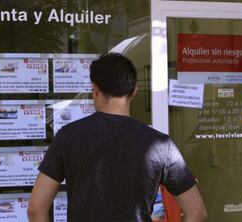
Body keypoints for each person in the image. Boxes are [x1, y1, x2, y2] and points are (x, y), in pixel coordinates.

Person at [28, 53, 207, 222]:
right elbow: (196, 211)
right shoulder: (160, 144)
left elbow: (36, 209)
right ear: (134, 91)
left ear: (94, 90)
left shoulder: (68, 136)